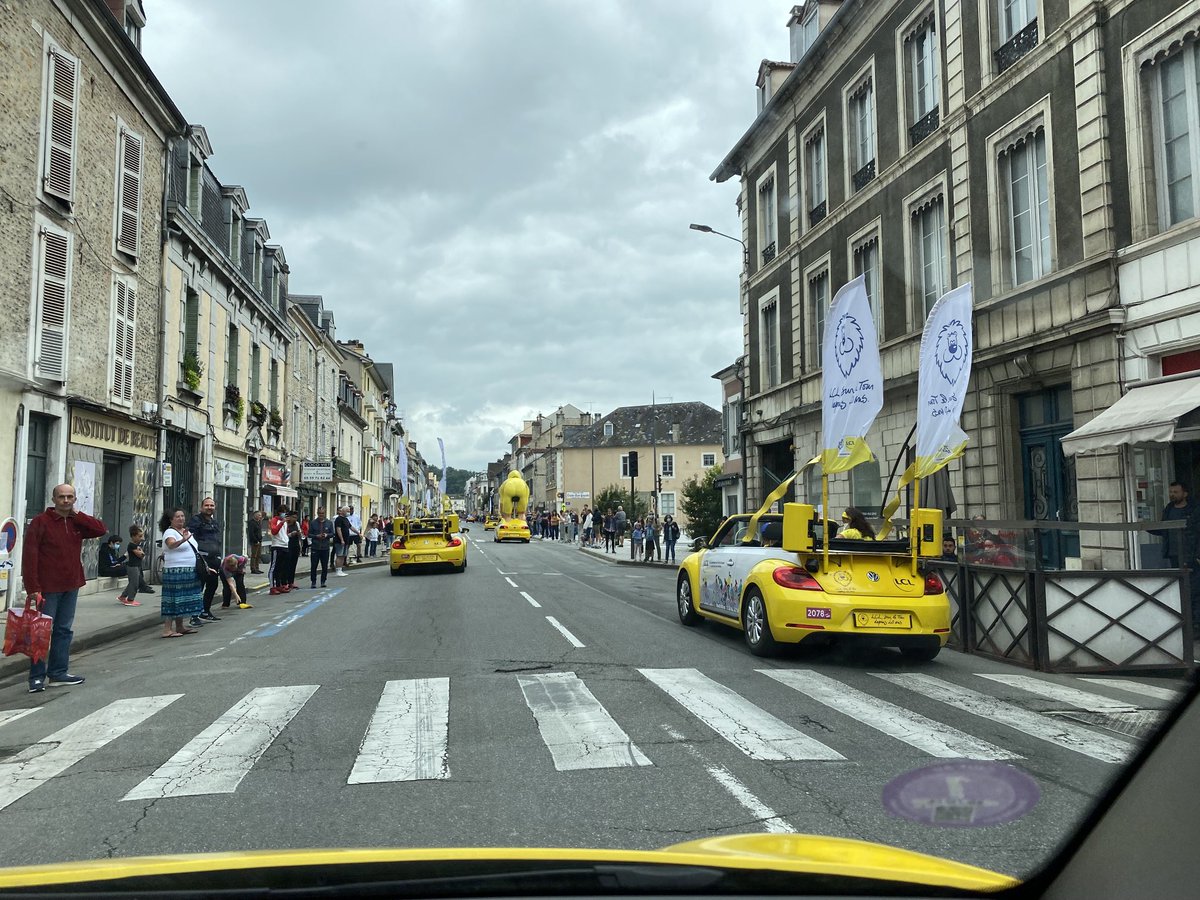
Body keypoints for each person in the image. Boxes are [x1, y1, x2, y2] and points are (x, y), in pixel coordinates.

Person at [21, 484, 108, 692]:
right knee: (42, 633)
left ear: (75, 499)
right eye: (62, 497)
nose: (66, 501)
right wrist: (32, 587)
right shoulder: (41, 522)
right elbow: (29, 555)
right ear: (54, 499)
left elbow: (100, 529)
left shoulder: (76, 522)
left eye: (70, 497)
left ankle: (58, 673)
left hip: (71, 584)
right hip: (47, 588)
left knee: (63, 631)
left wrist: (77, 514)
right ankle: (36, 677)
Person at [159, 507, 207, 639]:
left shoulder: (186, 531)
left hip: (189, 570)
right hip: (176, 571)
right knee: (173, 599)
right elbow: (171, 545)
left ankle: (180, 626)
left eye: (182, 516)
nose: (181, 519)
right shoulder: (169, 532)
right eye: (177, 517)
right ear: (171, 520)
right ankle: (167, 629)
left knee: (182, 600)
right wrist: (183, 540)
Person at [188, 497, 224, 621]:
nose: (209, 508)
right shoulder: (195, 520)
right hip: (202, 559)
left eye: (212, 505)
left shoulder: (215, 522)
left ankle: (205, 611)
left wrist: (219, 556)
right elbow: (191, 539)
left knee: (212, 585)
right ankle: (194, 615)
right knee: (199, 586)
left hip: (214, 558)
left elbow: (217, 539)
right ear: (201, 507)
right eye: (207, 505)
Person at [120, 524, 148, 606]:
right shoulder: (132, 545)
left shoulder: (136, 545)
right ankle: (130, 599)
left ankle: (123, 596)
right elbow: (141, 555)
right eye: (139, 536)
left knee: (132, 582)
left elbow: (142, 554)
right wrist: (141, 552)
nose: (141, 538)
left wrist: (141, 552)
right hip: (133, 566)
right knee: (135, 583)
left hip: (136, 566)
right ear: (133, 536)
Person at [98, 534, 130, 603]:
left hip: (112, 567)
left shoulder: (112, 550)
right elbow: (113, 563)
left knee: (131, 566)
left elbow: (115, 561)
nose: (118, 545)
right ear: (111, 543)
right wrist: (124, 556)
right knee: (126, 568)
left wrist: (118, 563)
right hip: (106, 570)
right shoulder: (105, 550)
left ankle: (141, 584)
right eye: (117, 544)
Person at [309, 506, 335, 588]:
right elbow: (309, 534)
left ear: (325, 513)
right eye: (319, 513)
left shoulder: (329, 523)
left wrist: (327, 535)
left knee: (324, 566)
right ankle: (313, 582)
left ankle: (323, 581)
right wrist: (316, 536)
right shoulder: (313, 522)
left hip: (325, 547)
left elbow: (332, 534)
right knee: (314, 566)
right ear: (317, 513)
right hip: (315, 547)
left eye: (322, 513)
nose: (321, 515)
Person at [268, 507, 290, 594]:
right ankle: (272, 587)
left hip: (284, 545)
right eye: (284, 512)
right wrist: (282, 522)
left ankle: (279, 585)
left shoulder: (285, 522)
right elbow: (274, 531)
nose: (284, 514)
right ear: (279, 512)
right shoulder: (275, 520)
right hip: (277, 546)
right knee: (274, 568)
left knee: (281, 567)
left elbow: (284, 533)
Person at [284, 511, 302, 590]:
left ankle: (291, 581)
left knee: (293, 564)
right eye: (293, 517)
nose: (295, 519)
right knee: (287, 564)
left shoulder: (297, 524)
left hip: (295, 545)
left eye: (296, 518)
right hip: (288, 545)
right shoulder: (285, 524)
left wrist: (299, 533)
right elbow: (283, 535)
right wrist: (291, 534)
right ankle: (285, 582)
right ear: (289, 517)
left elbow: (300, 533)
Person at [333, 506, 352, 577]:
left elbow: (351, 527)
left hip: (346, 540)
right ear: (343, 511)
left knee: (343, 555)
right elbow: (338, 529)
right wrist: (341, 539)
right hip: (340, 541)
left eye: (349, 511)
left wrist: (358, 533)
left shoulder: (346, 519)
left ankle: (340, 570)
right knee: (339, 555)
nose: (348, 512)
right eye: (347, 511)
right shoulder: (338, 519)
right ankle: (337, 570)